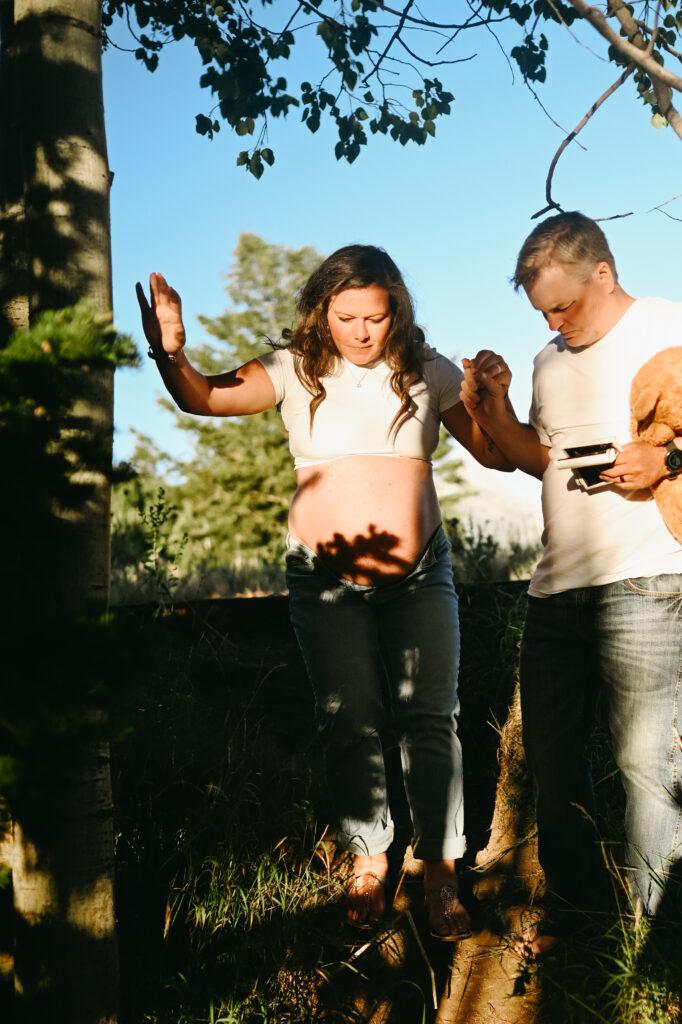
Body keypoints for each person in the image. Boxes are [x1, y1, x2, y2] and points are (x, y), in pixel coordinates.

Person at [136, 245, 513, 938]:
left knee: (432, 718)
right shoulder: (292, 369)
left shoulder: (428, 372)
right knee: (349, 718)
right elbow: (204, 398)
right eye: (348, 317)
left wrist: (496, 398)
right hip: (324, 575)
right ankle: (370, 856)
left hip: (421, 571)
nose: (364, 332)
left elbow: (493, 452)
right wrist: (172, 355)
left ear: (396, 310)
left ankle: (439, 869)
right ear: (321, 312)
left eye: (377, 317)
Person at [460, 212, 682, 955]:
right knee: (554, 770)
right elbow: (539, 456)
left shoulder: (666, 325)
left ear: (604, 275)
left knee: (646, 768)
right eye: (542, 312)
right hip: (555, 592)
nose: (555, 322)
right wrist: (491, 412)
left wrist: (669, 464)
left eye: (564, 306)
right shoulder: (550, 361)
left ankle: (648, 937)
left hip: (649, 580)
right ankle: (580, 915)